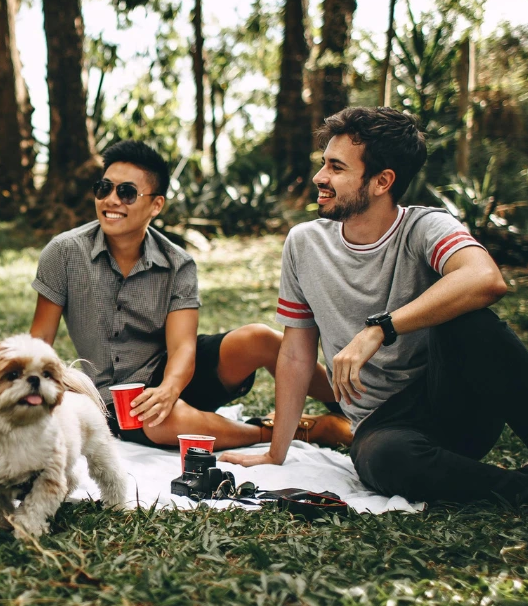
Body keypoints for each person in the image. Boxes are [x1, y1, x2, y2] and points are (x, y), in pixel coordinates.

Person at [222, 106, 528, 525]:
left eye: (336, 167)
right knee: (386, 462)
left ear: (382, 181)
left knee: (472, 321)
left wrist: (381, 328)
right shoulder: (304, 244)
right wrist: (275, 453)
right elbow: (297, 354)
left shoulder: (425, 227)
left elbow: (486, 280)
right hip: (382, 427)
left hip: (454, 401)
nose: (320, 177)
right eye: (324, 163)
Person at [29, 139, 352, 450]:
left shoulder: (177, 263)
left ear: (156, 204)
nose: (111, 200)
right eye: (104, 188)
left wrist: (169, 389)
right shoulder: (64, 253)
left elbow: (183, 346)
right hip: (116, 398)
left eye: (126, 192)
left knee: (260, 338)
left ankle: (357, 410)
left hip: (175, 373)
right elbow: (40, 339)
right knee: (160, 422)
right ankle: (292, 430)